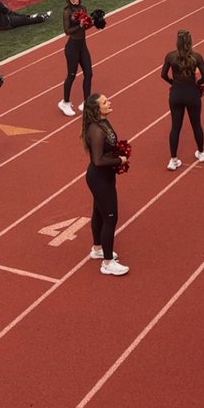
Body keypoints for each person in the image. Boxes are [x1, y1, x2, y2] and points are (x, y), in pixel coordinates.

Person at [82, 93, 129, 276]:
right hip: (99, 178)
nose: (109, 103)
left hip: (105, 177)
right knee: (111, 217)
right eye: (104, 102)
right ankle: (108, 263)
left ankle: (97, 249)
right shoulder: (96, 129)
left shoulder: (104, 123)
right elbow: (98, 161)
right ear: (96, 109)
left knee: (99, 213)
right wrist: (120, 160)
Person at [161, 29, 204, 168]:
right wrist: (196, 84)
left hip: (176, 94)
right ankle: (201, 153)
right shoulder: (197, 57)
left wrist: (173, 83)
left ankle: (173, 160)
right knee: (196, 124)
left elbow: (163, 75)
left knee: (175, 127)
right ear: (190, 41)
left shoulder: (170, 56)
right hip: (192, 94)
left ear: (177, 42)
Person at [59, 0, 94, 116]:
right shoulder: (67, 11)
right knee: (71, 76)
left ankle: (87, 102)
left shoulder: (83, 8)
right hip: (72, 48)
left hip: (82, 46)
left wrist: (94, 22)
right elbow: (67, 31)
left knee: (89, 73)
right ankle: (65, 102)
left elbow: (86, 26)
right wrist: (79, 25)